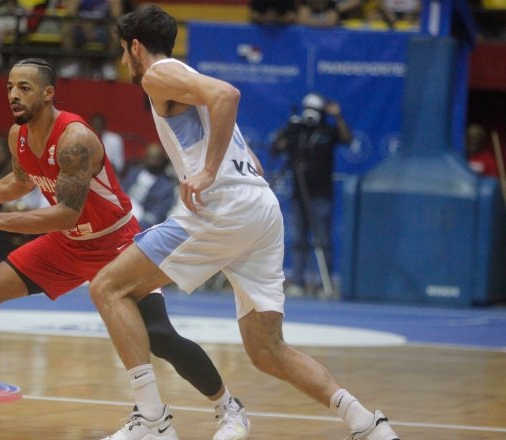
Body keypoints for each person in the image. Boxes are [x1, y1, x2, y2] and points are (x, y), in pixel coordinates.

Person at [0, 58, 250, 440]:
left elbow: (65, 213)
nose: (13, 95)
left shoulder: (75, 140)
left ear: (48, 94)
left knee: (160, 336)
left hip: (115, 242)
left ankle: (227, 407)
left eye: (24, 88)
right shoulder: (18, 135)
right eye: (9, 87)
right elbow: (22, 181)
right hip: (68, 245)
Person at [88, 5, 400, 440]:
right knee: (267, 350)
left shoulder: (158, 75)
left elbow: (228, 95)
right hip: (260, 208)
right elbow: (240, 141)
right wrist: (229, 167)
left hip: (226, 208)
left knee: (108, 287)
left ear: (136, 47)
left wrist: (209, 171)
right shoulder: (185, 80)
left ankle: (152, 419)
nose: (125, 61)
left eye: (124, 52)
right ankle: (366, 424)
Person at [271, 92, 352, 297]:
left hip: (321, 194)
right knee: (298, 239)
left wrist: (338, 116)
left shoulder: (328, 130)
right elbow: (276, 149)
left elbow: (346, 138)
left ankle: (323, 283)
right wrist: (288, 127)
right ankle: (298, 281)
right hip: (299, 193)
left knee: (323, 240)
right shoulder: (296, 131)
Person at [121, 141, 176, 231]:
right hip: (124, 209)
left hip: (142, 220)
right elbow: (120, 191)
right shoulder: (133, 172)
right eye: (150, 157)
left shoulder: (167, 186)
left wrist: (135, 224)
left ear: (163, 161)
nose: (152, 161)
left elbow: (158, 214)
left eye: (156, 159)